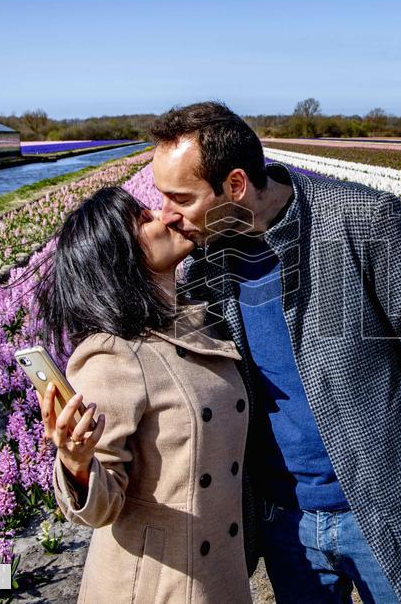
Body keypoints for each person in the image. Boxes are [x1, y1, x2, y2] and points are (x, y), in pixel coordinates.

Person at [149, 102, 401, 603]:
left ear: (235, 185)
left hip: (382, 502)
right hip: (285, 521)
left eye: (180, 197)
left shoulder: (361, 219)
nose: (167, 215)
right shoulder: (202, 267)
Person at [34, 186, 253, 603]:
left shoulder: (197, 322)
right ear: (121, 258)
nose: (165, 215)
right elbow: (101, 509)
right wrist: (76, 462)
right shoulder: (112, 355)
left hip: (219, 569)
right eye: (144, 220)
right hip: (161, 584)